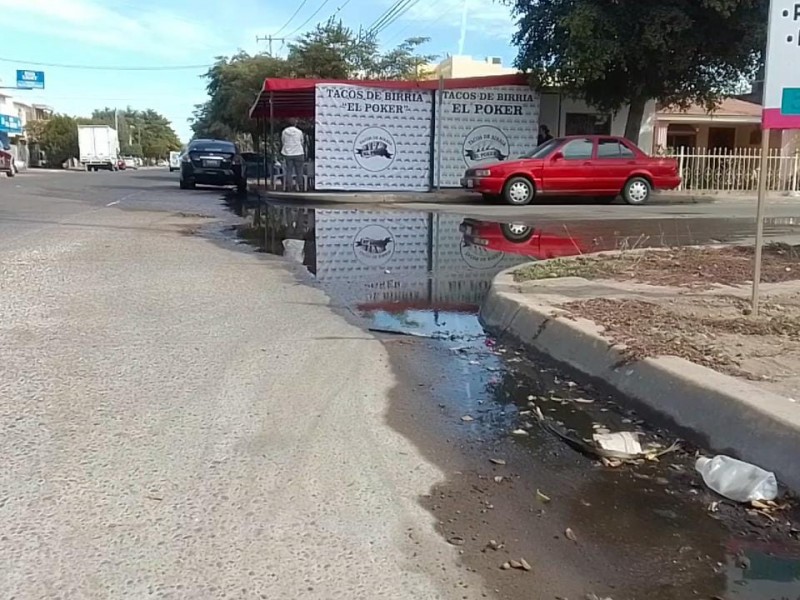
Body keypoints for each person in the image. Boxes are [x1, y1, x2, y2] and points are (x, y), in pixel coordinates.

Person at [281, 119, 306, 192]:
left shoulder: (284, 132)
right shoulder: (299, 132)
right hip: (299, 153)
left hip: (288, 153)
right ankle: (300, 187)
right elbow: (302, 141)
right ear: (295, 124)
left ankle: (289, 187)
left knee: (289, 171)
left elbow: (283, 141)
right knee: (299, 171)